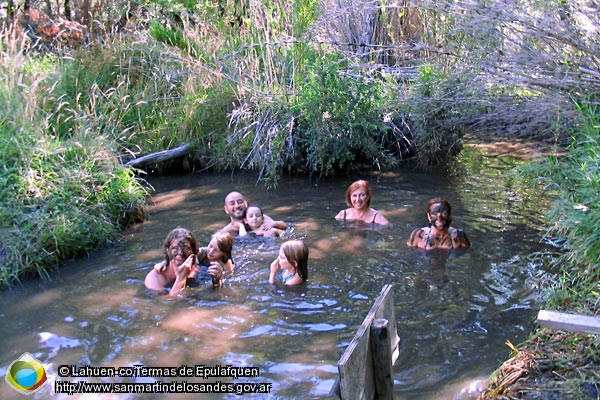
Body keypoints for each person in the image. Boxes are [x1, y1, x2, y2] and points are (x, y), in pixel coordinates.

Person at [144, 228, 233, 295]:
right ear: (168, 250)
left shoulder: (195, 269)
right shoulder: (154, 279)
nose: (180, 253)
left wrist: (217, 282)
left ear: (194, 252)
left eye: (186, 249)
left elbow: (216, 295)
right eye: (175, 248)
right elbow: (165, 305)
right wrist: (181, 278)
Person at [407, 197, 471, 250]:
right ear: (429, 216)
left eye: (444, 213)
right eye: (434, 214)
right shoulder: (418, 234)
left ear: (450, 215)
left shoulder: (459, 235)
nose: (439, 218)